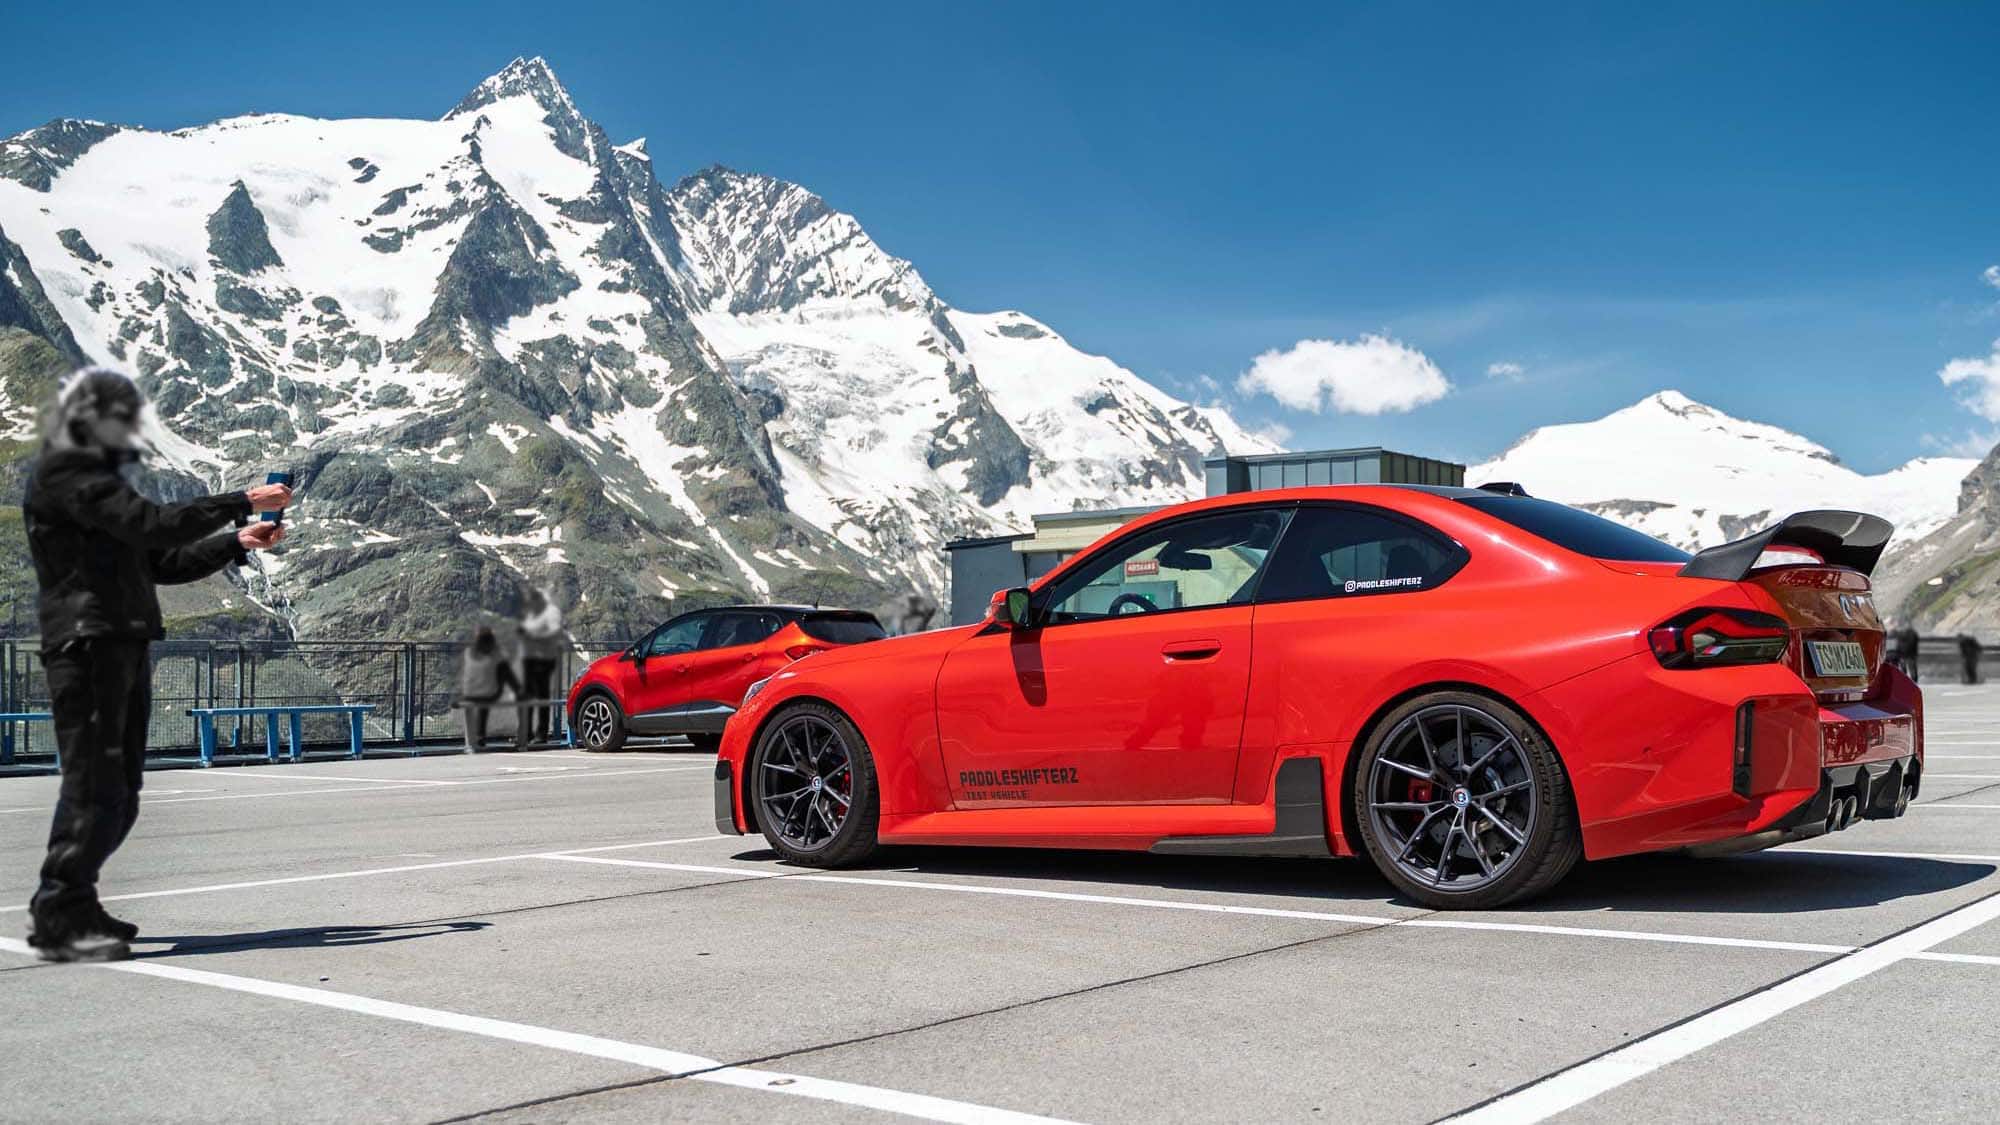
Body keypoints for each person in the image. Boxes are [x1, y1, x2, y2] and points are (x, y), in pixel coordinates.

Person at [23, 368, 289, 963]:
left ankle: (76, 896)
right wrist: (241, 500)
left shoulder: (95, 487)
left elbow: (161, 561)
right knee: (95, 785)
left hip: (118, 642)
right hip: (87, 644)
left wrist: (237, 542)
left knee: (121, 792)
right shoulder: (69, 473)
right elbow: (155, 526)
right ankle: (59, 912)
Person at [515, 587, 565, 749]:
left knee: (541, 696)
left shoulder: (551, 612)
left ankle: (541, 734)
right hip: (529, 659)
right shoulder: (532, 612)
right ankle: (525, 732)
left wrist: (534, 636)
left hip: (544, 659)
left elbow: (555, 632)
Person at [459, 625, 520, 752]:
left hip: (468, 691)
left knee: (481, 700)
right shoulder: (496, 652)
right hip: (489, 692)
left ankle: (475, 736)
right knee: (503, 670)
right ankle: (480, 736)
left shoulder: (469, 651)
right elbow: (506, 671)